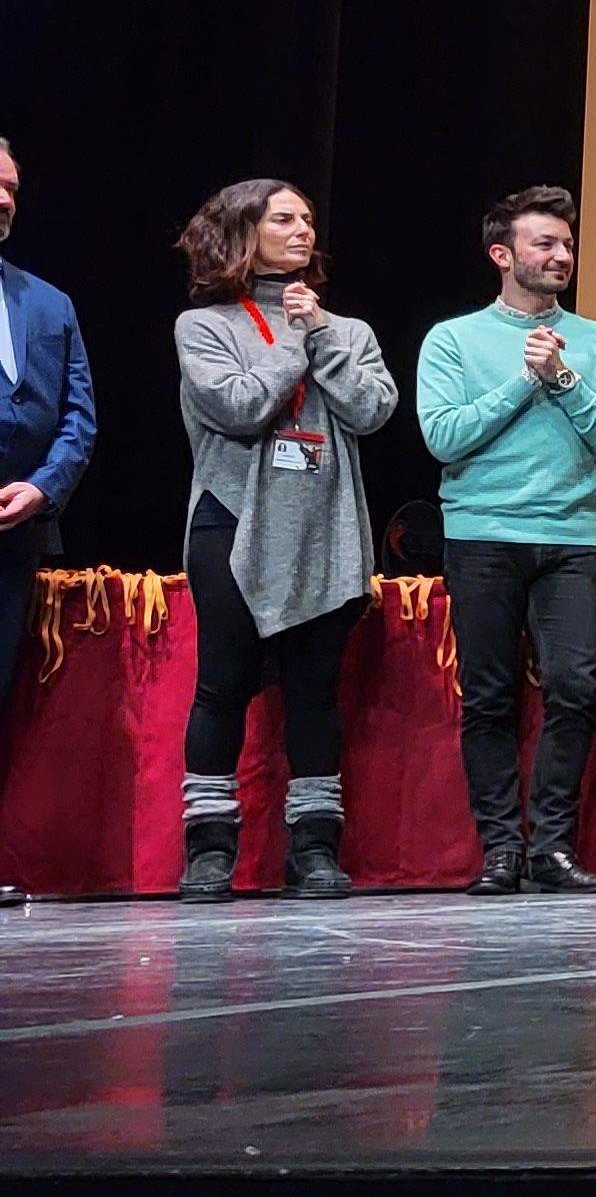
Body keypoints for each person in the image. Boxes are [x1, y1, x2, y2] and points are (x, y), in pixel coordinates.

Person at [170, 180, 400, 900]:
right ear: (244, 232)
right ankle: (209, 848)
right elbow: (239, 407)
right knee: (223, 684)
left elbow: (372, 409)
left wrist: (322, 334)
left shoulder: (348, 329)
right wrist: (296, 341)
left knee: (313, 692)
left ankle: (315, 846)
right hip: (232, 522)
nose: (303, 230)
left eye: (307, 219)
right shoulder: (202, 325)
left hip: (325, 527)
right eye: (283, 219)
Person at [417, 186, 596, 895]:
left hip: (569, 538)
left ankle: (551, 848)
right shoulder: (453, 339)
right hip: (482, 534)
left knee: (574, 688)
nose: (561, 256)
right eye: (545, 244)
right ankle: (501, 851)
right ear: (502, 254)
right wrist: (523, 380)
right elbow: (443, 436)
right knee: (489, 696)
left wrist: (565, 377)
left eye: (567, 245)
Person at [0, 137, 100, 910]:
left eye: (10, 189)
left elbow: (77, 417)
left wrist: (42, 488)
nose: (3, 200)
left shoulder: (48, 301)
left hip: (17, 530)